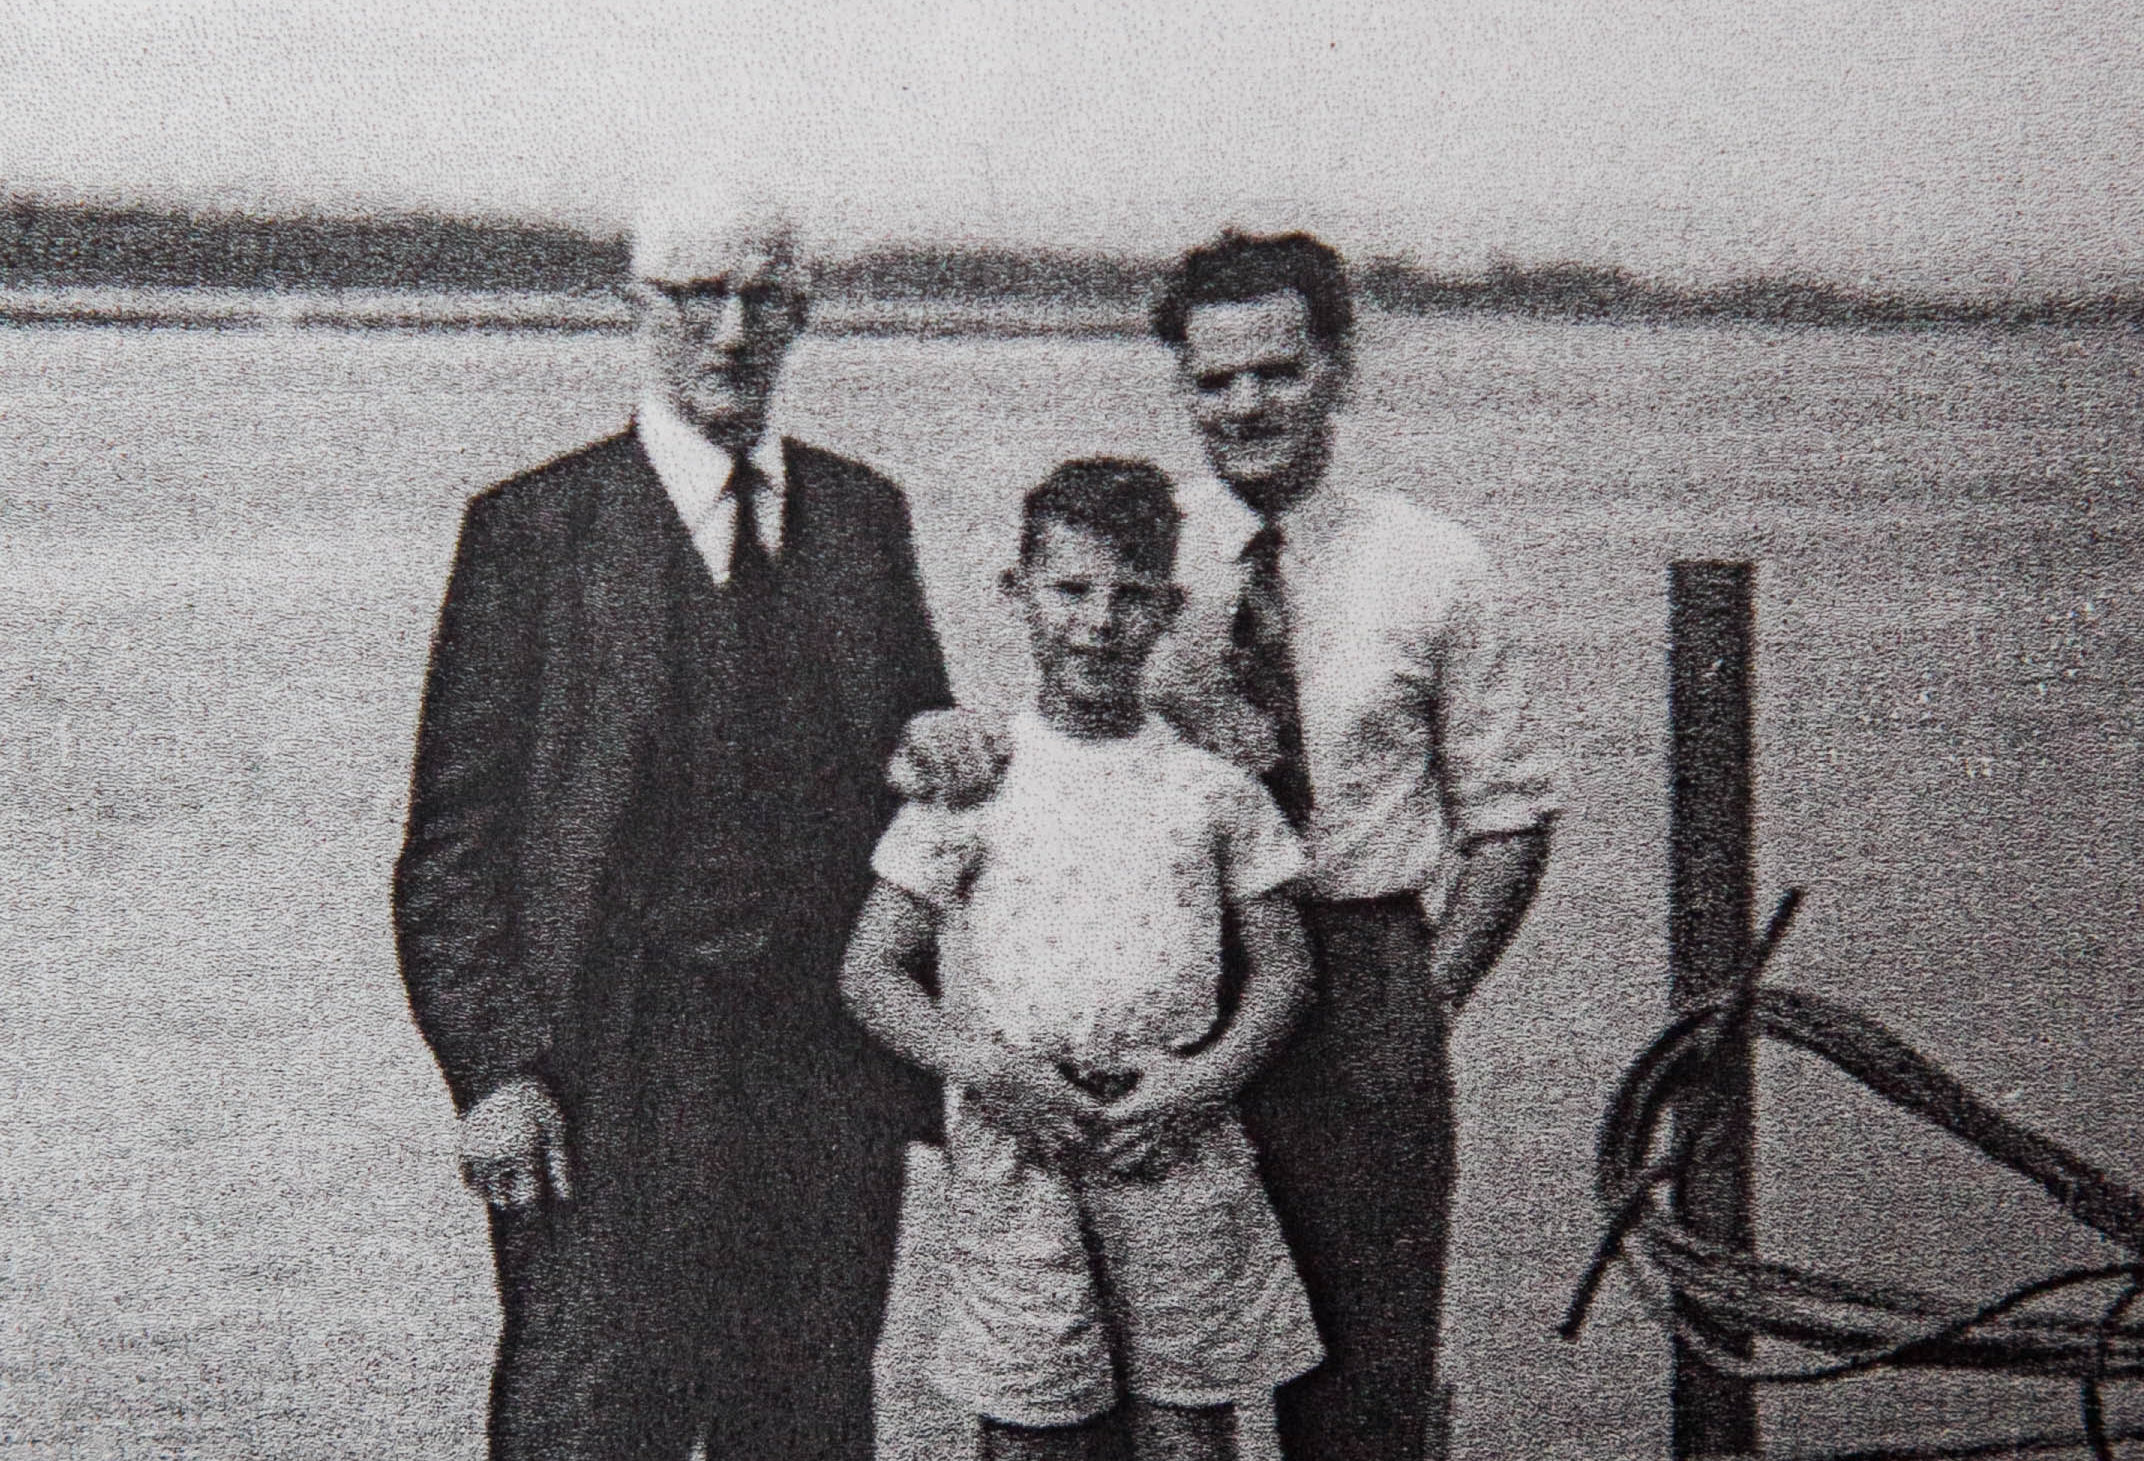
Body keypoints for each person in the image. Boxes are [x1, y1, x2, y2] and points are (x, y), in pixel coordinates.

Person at [892, 232, 1558, 1461]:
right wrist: (934, 737)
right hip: (1154, 976)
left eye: (1277, 371)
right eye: (1212, 380)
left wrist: (1422, 995)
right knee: (1130, 1373)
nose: (1245, 404)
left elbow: (1510, 818)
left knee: (1365, 1366)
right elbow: (1040, 737)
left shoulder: (1434, 563)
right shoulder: (1138, 546)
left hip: (1358, 963)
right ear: (1182, 388)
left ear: (1338, 369)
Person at [392, 194, 951, 1460]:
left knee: (806, 1424)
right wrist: (494, 1072)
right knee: (585, 1420)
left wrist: (946, 745)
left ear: (802, 314)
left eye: (764, 298)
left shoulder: (865, 519)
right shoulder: (532, 530)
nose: (732, 330)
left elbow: (913, 763)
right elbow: (451, 852)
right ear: (634, 310)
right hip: (600, 1079)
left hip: (820, 1077)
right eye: (696, 296)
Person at [844, 459, 1324, 1461]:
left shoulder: (1212, 787)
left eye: (1131, 596)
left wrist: (1205, 1082)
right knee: (1028, 1424)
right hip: (1018, 1136)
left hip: (1175, 1130)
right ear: (1017, 595)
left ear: (1168, 609)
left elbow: (1285, 971)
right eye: (1069, 590)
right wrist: (985, 1069)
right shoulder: (973, 780)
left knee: (1189, 1426)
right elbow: (871, 972)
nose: (1098, 623)